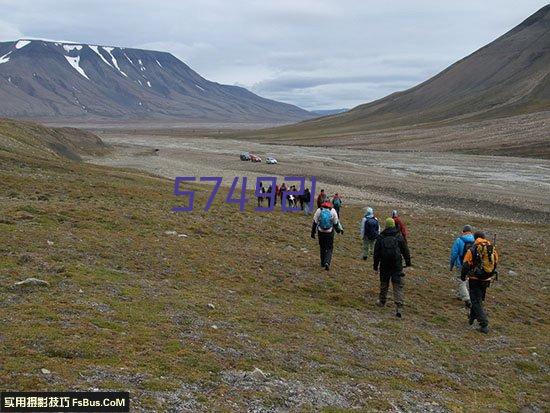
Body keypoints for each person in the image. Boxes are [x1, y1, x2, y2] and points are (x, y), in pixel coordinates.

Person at [461, 231, 499, 334]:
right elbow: (495, 263)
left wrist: (463, 277)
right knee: (478, 299)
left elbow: (466, 265)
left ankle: (484, 324)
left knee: (476, 301)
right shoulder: (492, 249)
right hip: (486, 279)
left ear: (475, 238)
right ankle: (472, 317)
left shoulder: (473, 249)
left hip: (475, 279)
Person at [373, 217, 411, 318]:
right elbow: (405, 250)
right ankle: (399, 307)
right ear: (394, 225)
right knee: (398, 285)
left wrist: (375, 266)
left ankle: (382, 301)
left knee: (384, 283)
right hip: (397, 265)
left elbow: (376, 253)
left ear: (386, 225)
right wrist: (408, 262)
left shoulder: (381, 237)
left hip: (384, 264)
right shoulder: (399, 236)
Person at [311, 201, 343, 271]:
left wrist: (313, 233)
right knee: (329, 248)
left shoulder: (319, 210)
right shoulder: (333, 211)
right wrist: (338, 231)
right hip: (329, 232)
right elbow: (335, 223)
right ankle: (327, 262)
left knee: (322, 247)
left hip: (321, 232)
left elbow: (315, 222)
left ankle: (322, 262)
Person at [449, 225, 474, 308]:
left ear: (463, 231)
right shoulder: (475, 241)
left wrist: (452, 264)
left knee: (461, 281)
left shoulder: (459, 240)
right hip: (472, 265)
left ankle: (467, 299)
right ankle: (462, 295)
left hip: (462, 265)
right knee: (470, 280)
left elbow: (454, 254)